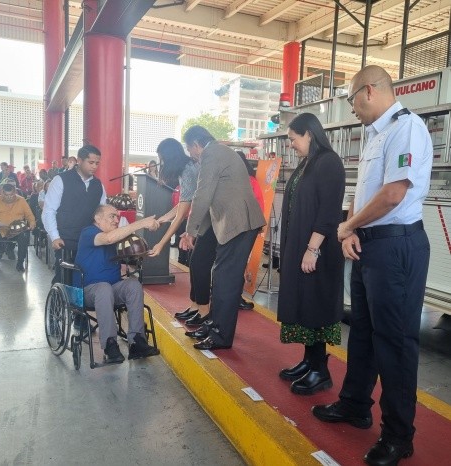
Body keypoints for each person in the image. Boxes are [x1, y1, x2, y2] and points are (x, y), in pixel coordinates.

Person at [312, 65, 433, 466]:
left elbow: (394, 193)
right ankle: (355, 404)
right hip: (369, 244)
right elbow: (363, 192)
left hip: (396, 247)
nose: (351, 108)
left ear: (368, 91)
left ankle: (398, 436)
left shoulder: (406, 127)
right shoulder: (376, 135)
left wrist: (348, 226)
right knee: (363, 331)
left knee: (395, 343)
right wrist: (350, 230)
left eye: (351, 99)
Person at [276, 113, 345, 396]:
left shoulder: (329, 162)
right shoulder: (308, 162)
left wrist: (312, 249)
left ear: (309, 134)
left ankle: (321, 371)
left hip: (319, 251)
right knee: (305, 303)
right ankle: (309, 361)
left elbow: (329, 212)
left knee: (315, 305)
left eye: (293, 139)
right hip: (303, 248)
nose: (291, 144)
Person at [181, 126, 265, 350]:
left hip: (239, 223)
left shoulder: (211, 154)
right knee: (221, 277)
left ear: (196, 144)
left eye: (189, 148)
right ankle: (213, 325)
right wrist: (196, 231)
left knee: (225, 280)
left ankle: (220, 335)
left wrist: (190, 231)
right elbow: (211, 200)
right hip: (234, 223)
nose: (190, 154)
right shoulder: (220, 151)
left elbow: (202, 195)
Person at [74, 204, 160, 363]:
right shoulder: (89, 232)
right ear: (97, 218)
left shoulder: (116, 236)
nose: (116, 220)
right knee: (104, 288)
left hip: (112, 288)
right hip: (88, 291)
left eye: (117, 217)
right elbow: (108, 238)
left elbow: (129, 259)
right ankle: (110, 344)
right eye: (111, 216)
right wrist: (142, 223)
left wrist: (141, 254)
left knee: (133, 285)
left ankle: (137, 341)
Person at [147, 138, 215, 326]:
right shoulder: (186, 169)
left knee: (200, 264)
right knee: (196, 263)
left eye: (162, 159)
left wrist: (161, 243)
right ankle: (195, 306)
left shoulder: (188, 170)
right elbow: (183, 205)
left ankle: (204, 311)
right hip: (205, 218)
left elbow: (182, 214)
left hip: (213, 219)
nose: (161, 164)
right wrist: (162, 219)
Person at [42, 144, 106, 284]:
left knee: (86, 278)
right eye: (91, 162)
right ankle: (57, 298)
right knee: (64, 278)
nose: (94, 166)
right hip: (65, 239)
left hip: (89, 239)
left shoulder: (98, 185)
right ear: (80, 160)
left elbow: (102, 212)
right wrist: (55, 237)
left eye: (97, 163)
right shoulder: (61, 180)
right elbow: (49, 211)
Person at [0, 182, 36, 272]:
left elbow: (29, 215)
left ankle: (20, 263)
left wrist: (32, 223)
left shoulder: (21, 200)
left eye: (11, 195)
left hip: (17, 230)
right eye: (6, 195)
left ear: (15, 192)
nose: (9, 197)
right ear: (1, 193)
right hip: (1, 230)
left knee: (24, 236)